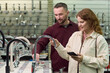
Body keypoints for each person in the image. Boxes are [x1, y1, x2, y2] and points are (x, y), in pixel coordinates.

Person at [50, 8, 109, 73]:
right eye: (78, 22)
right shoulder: (75, 35)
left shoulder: (99, 39)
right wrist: (58, 46)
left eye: (82, 22)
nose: (79, 25)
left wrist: (84, 59)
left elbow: (104, 62)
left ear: (90, 22)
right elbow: (67, 56)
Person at [32, 2, 79, 73]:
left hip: (74, 67)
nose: (58, 17)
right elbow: (40, 42)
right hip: (57, 68)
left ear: (67, 13)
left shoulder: (77, 28)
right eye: (56, 15)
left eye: (60, 14)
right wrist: (36, 52)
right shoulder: (52, 29)